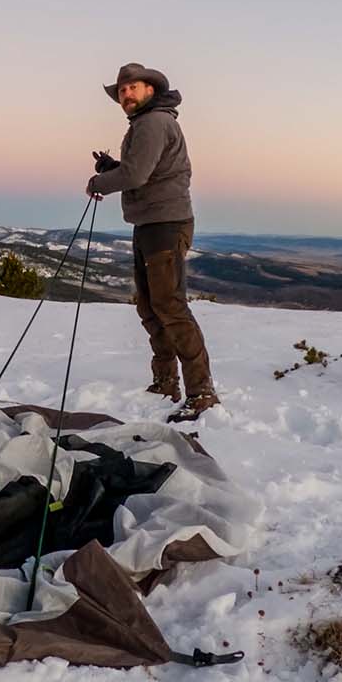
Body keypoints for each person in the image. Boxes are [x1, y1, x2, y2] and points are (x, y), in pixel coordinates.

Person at [87, 63, 219, 422]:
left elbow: (136, 175)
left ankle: (201, 392)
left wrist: (100, 183)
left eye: (132, 87)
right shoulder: (147, 124)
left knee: (170, 307)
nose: (125, 95)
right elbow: (142, 171)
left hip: (165, 223)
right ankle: (165, 382)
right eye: (121, 91)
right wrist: (112, 167)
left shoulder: (153, 123)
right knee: (150, 306)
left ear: (150, 89)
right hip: (151, 222)